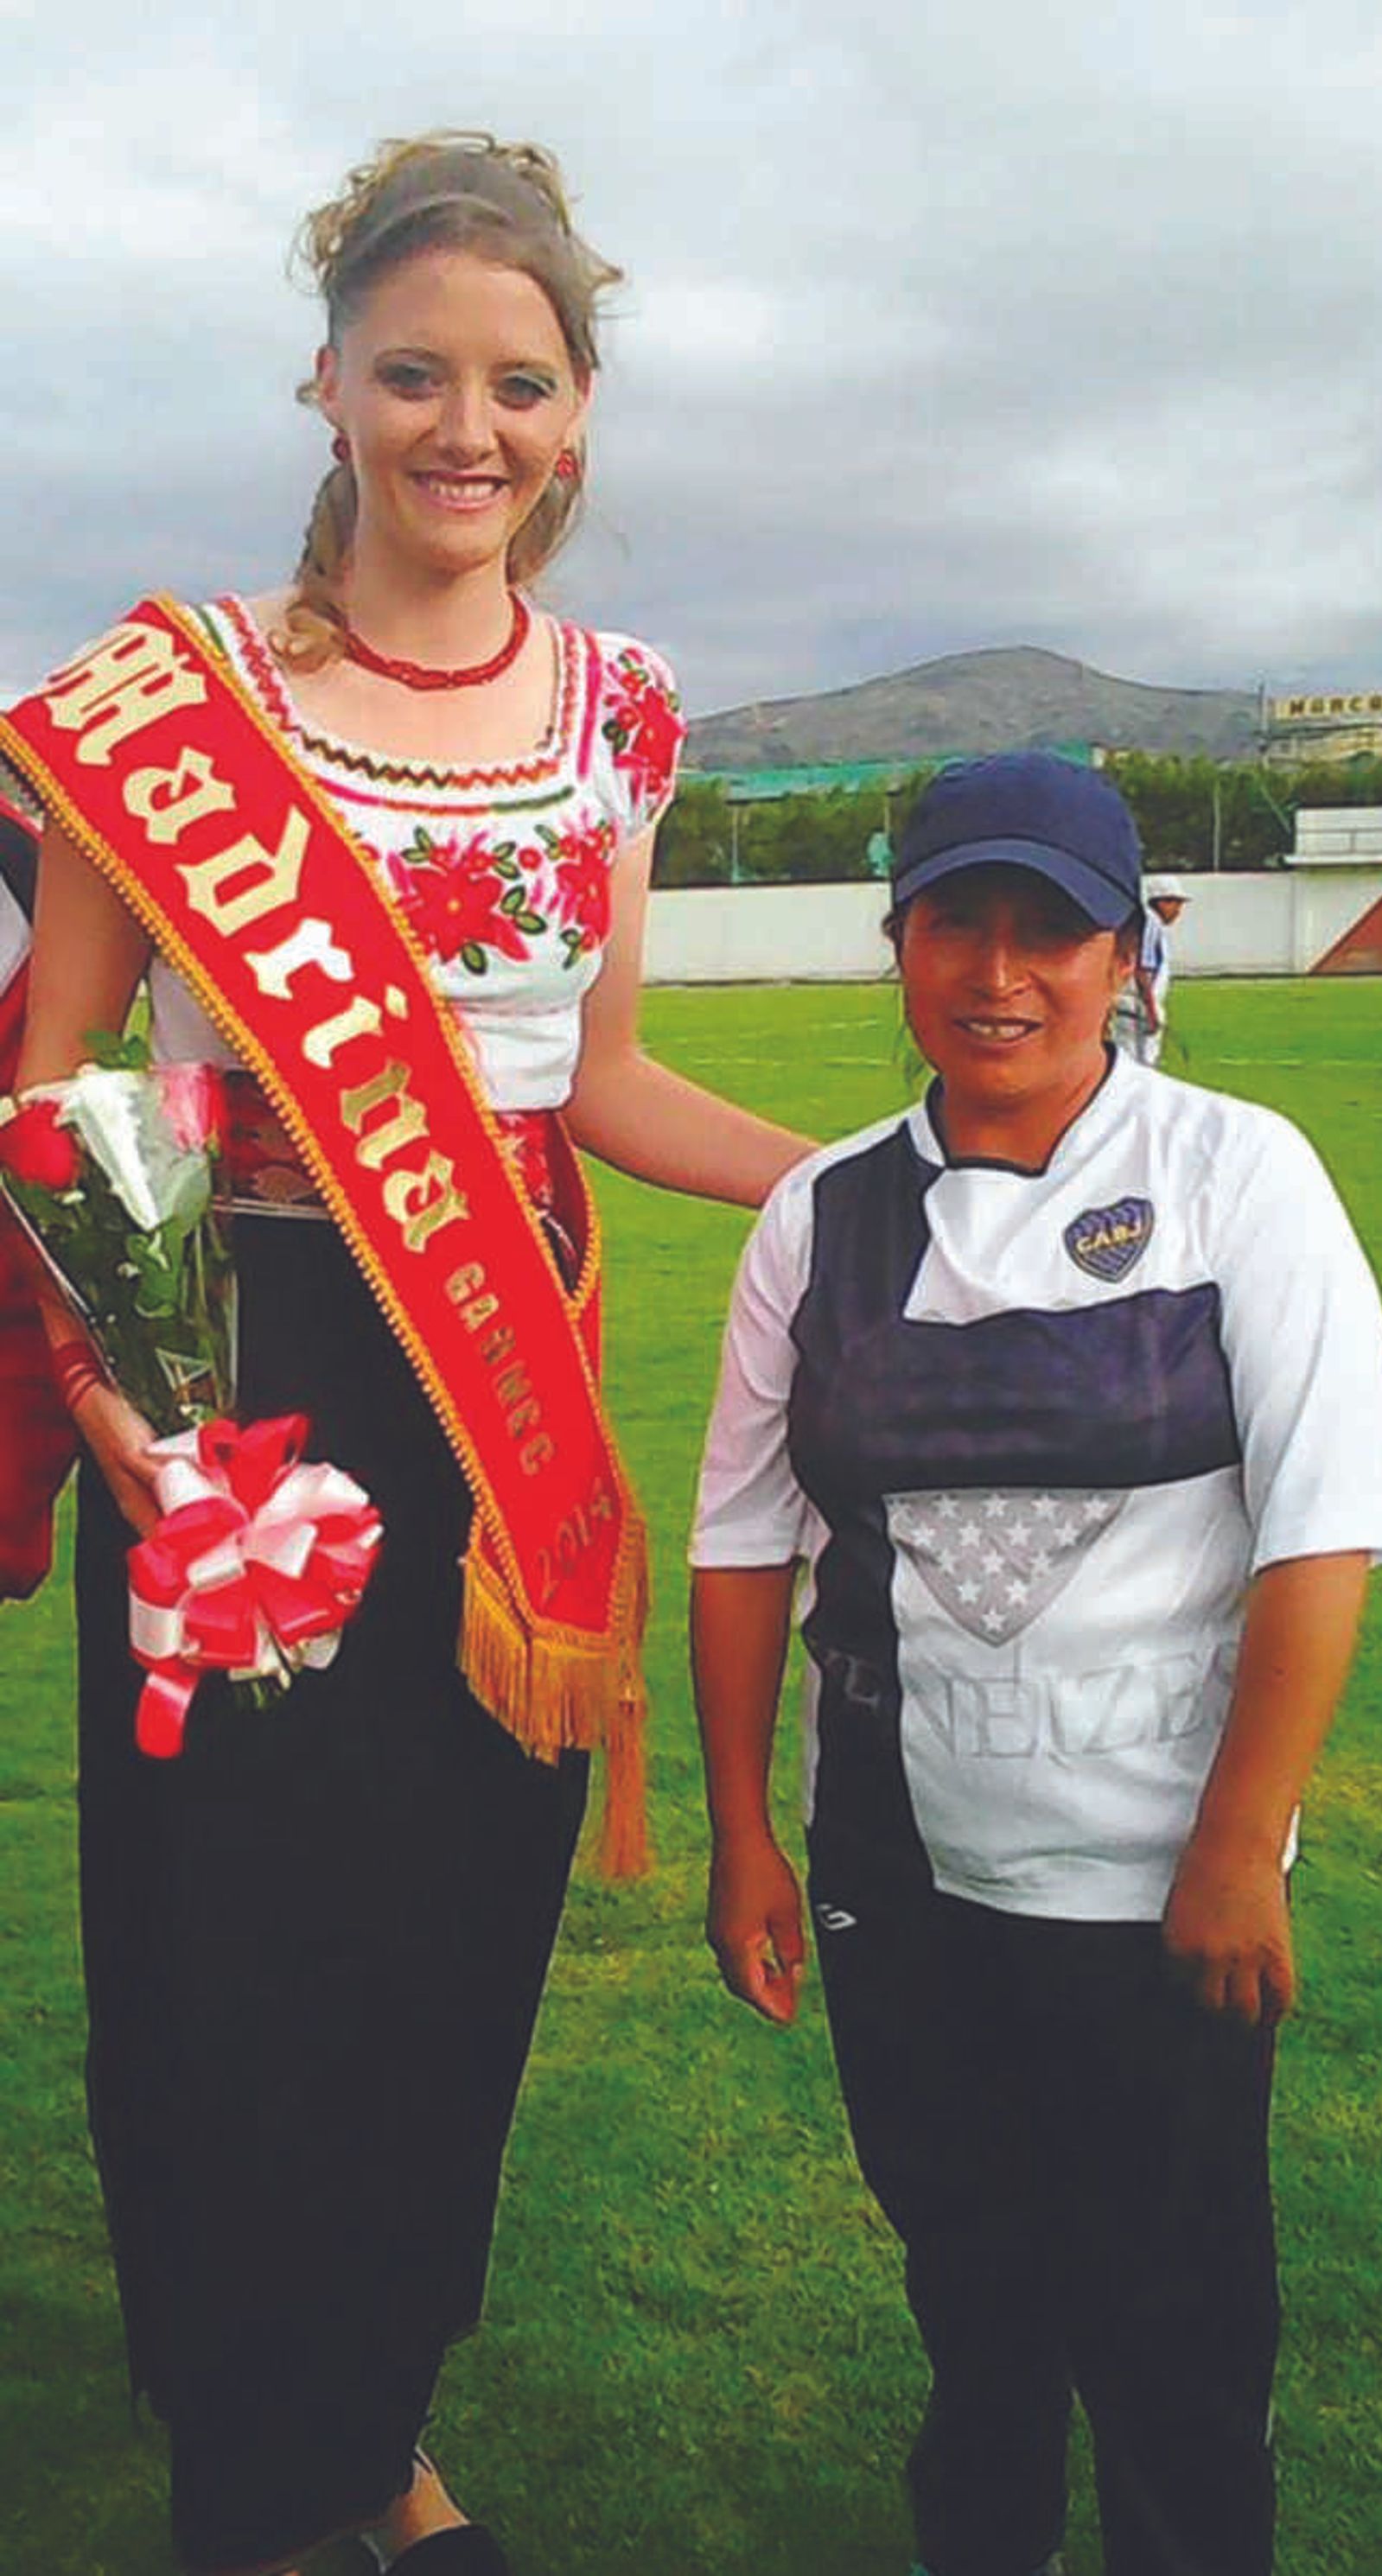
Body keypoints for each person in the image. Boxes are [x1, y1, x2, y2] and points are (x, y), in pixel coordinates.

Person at [3, 133, 811, 2576]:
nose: (471, 425)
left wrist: (876, 1183)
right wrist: (138, 1435)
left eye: (523, 384)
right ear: (332, 382)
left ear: (576, 421)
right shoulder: (184, 704)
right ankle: (263, 2473)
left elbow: (606, 1078)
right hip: (229, 1397)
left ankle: (373, 2410)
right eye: (417, 371)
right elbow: (62, 1091)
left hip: (501, 1402)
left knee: (450, 1946)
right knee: (234, 1955)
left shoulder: (619, 714)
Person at [691, 751, 1382, 2576]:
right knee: (975, 2292)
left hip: (1154, 1879)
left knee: (1173, 2324)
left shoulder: (1235, 1171)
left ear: (1127, 950)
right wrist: (743, 1833)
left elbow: (1319, 1523)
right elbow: (737, 1538)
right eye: (958, 918)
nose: (999, 969)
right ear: (901, 940)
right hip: (895, 1868)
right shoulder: (826, 1215)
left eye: (1052, 927)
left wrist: (1239, 1847)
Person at [1109, 868, 1188, 1065]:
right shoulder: (1151, 923)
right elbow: (1143, 969)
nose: (1178, 911)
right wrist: (1151, 1010)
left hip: (1127, 1006)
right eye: (1175, 903)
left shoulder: (1139, 922)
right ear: (1162, 902)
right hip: (1137, 1007)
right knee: (1140, 1066)